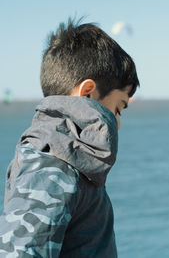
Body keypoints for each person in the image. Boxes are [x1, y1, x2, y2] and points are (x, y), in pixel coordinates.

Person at [0, 18, 140, 257]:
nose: (118, 123)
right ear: (87, 92)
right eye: (118, 109)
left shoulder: (75, 159)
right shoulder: (51, 163)